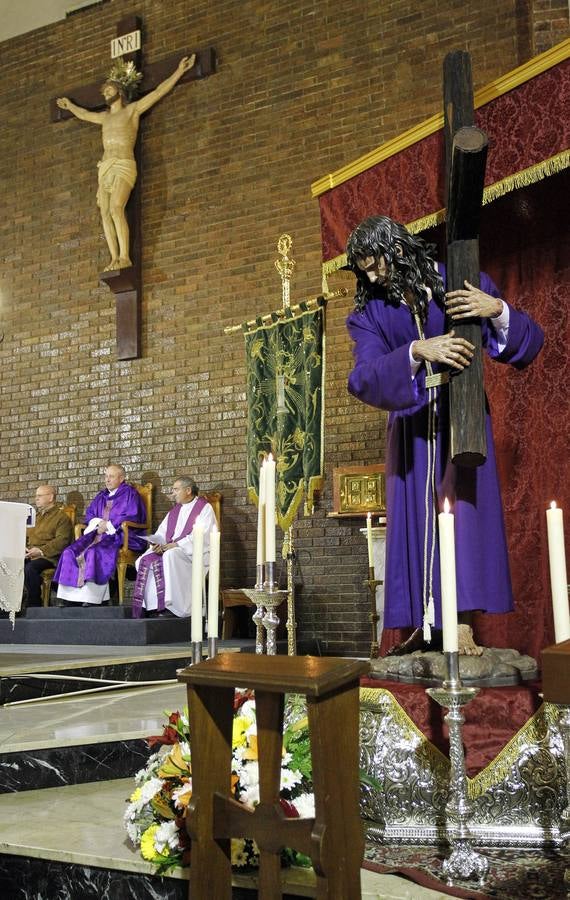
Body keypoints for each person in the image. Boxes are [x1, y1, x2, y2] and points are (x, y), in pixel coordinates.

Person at [345, 215, 544, 655]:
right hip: (412, 426)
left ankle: (462, 624)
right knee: (415, 522)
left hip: (464, 414)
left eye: (375, 265)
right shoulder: (368, 313)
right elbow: (362, 376)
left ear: (396, 250)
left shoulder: (460, 280)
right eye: (364, 271)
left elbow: (529, 343)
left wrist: (497, 310)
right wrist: (418, 351)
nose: (372, 277)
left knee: (464, 516)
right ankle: (424, 623)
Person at [56, 54, 195, 271]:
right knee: (104, 213)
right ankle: (113, 259)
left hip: (123, 164)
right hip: (105, 167)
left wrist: (179, 71)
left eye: (109, 90)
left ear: (119, 91)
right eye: (104, 92)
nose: (106, 93)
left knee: (116, 208)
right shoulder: (104, 117)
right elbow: (83, 114)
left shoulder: (132, 111)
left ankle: (125, 257)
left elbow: (158, 92)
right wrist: (70, 106)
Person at [55, 464, 147, 606]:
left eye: (111, 476)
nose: (107, 480)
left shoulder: (130, 494)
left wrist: (110, 524)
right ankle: (70, 598)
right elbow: (90, 513)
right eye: (106, 476)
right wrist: (98, 523)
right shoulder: (101, 495)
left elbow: (134, 515)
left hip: (122, 536)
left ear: (121, 478)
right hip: (97, 534)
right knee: (70, 551)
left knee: (94, 551)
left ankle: (92, 598)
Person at [132, 476, 217, 619]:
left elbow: (203, 535)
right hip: (171, 549)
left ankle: (174, 607)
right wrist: (157, 544)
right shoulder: (175, 511)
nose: (173, 493)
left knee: (171, 555)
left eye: (176, 489)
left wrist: (176, 545)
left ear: (188, 490)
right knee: (143, 560)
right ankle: (153, 606)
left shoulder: (204, 508)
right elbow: (162, 533)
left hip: (193, 553)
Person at [24, 484, 74, 607]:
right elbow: (25, 537)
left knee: (30, 568)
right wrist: (23, 548)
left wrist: (41, 550)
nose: (36, 498)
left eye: (39, 496)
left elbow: (62, 541)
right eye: (36, 496)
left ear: (51, 497)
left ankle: (34, 605)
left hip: (49, 557)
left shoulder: (61, 517)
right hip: (29, 555)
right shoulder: (35, 517)